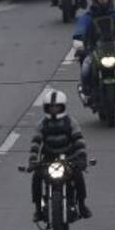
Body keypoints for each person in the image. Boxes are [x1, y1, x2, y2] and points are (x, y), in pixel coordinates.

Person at [27, 89, 91, 221]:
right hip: (48, 160)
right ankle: (38, 209)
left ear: (62, 107)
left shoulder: (70, 122)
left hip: (68, 158)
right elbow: (36, 143)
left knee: (78, 176)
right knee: (36, 178)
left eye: (56, 107)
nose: (54, 109)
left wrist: (81, 158)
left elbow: (79, 140)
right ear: (46, 108)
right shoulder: (42, 124)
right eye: (51, 107)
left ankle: (82, 205)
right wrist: (33, 161)